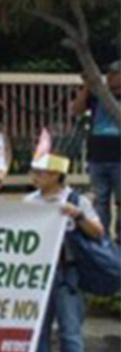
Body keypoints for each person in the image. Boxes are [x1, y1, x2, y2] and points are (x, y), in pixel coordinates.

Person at [24, 139, 104, 352]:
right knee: (38, 329)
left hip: (67, 271)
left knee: (70, 330)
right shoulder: (29, 202)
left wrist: (78, 216)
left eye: (41, 172)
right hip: (38, 273)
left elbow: (98, 232)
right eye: (35, 172)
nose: (36, 177)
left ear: (57, 174)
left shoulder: (75, 200)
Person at [71, 64, 121, 240]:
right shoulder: (97, 95)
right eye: (110, 74)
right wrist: (87, 88)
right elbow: (76, 110)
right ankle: (102, 237)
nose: (111, 78)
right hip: (97, 155)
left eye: (116, 74)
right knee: (100, 201)